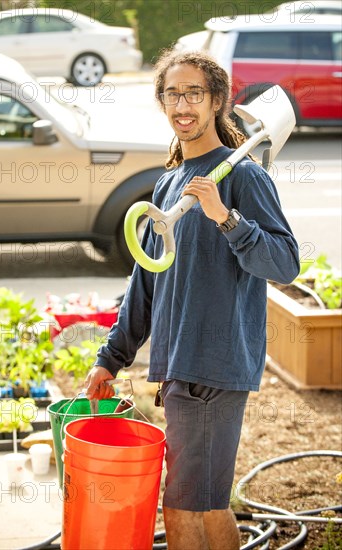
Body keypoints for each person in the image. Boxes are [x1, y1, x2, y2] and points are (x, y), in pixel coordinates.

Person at [85, 50, 300, 550]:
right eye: (172, 93)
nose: (182, 104)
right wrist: (109, 359)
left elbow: (285, 264)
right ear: (162, 102)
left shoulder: (242, 176)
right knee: (198, 502)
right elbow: (146, 282)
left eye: (194, 93)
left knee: (188, 506)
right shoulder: (167, 184)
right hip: (180, 365)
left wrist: (225, 217)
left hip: (214, 366)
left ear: (218, 101)